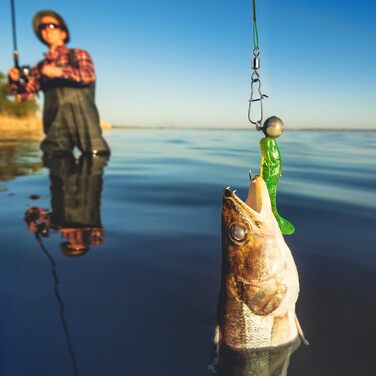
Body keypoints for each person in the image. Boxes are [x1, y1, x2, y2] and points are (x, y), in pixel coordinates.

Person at [8, 10, 110, 157]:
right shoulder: (39, 67)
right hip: (55, 128)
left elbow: (89, 76)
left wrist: (60, 72)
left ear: (63, 32)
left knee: (96, 156)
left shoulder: (79, 54)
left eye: (51, 25)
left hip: (87, 126)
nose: (47, 30)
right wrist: (15, 80)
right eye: (42, 27)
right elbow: (23, 95)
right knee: (55, 161)